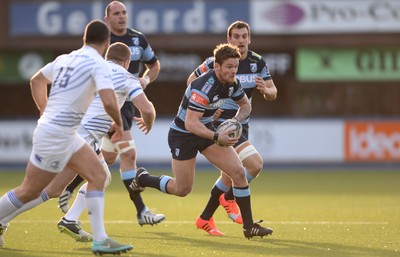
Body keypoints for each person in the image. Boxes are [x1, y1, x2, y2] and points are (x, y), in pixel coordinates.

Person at [0, 20, 133, 255]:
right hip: (57, 135)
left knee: (99, 174)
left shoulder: (66, 58)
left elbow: (36, 80)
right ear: (107, 43)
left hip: (64, 132)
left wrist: (44, 110)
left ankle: (100, 239)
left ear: (84, 38)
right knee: (30, 190)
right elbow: (110, 100)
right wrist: (120, 126)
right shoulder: (98, 63)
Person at [129, 43, 273, 239]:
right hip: (183, 136)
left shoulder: (233, 84)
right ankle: (142, 178)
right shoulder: (203, 87)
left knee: (238, 172)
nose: (233, 71)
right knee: (182, 189)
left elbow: (245, 106)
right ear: (217, 67)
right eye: (229, 67)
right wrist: (216, 136)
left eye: (236, 67)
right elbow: (190, 124)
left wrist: (234, 121)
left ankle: (249, 227)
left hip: (207, 130)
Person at [58, 0, 164, 226]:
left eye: (124, 12)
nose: (122, 16)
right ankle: (141, 210)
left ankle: (70, 199)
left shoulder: (138, 39)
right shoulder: (102, 41)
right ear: (107, 19)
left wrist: (145, 79)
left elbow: (154, 65)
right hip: (106, 106)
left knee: (106, 161)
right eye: (116, 13)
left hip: (126, 102)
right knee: (128, 155)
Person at [186, 21, 278, 235]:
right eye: (236, 36)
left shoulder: (257, 62)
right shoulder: (215, 62)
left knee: (229, 175)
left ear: (249, 38)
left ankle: (205, 218)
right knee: (254, 165)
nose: (240, 40)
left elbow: (273, 91)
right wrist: (208, 107)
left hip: (239, 124)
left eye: (244, 36)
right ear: (229, 40)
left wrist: (267, 90)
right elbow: (192, 81)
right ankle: (230, 198)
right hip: (219, 125)